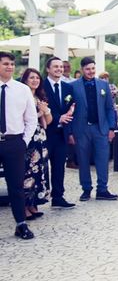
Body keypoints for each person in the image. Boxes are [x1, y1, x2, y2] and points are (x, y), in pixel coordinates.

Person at [65, 57, 118, 201]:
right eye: (88, 69)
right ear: (82, 70)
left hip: (100, 128)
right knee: (83, 160)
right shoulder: (73, 86)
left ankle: (102, 189)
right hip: (81, 129)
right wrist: (70, 131)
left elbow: (109, 107)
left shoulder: (103, 85)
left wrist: (112, 128)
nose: (91, 71)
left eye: (93, 68)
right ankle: (86, 189)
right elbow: (68, 109)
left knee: (102, 159)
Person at [0, 51, 38, 239]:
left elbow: (31, 119)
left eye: (12, 64)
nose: (10, 67)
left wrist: (24, 141)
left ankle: (21, 224)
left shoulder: (22, 89)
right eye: (6, 63)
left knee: (16, 186)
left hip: (14, 142)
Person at [43, 56, 76, 209]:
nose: (59, 69)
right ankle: (37, 198)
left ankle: (58, 196)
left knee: (59, 167)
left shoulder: (68, 88)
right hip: (44, 133)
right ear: (48, 69)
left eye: (61, 67)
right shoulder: (40, 86)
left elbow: (71, 110)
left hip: (62, 134)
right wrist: (58, 118)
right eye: (55, 66)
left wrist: (70, 131)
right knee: (41, 167)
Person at [19, 68, 52, 220]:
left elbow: (47, 122)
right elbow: (24, 118)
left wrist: (44, 111)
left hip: (40, 137)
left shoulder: (39, 97)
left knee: (40, 171)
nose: (35, 80)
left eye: (37, 78)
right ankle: (24, 206)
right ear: (25, 80)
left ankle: (34, 204)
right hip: (27, 137)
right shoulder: (21, 96)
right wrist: (39, 113)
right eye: (31, 78)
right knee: (27, 172)